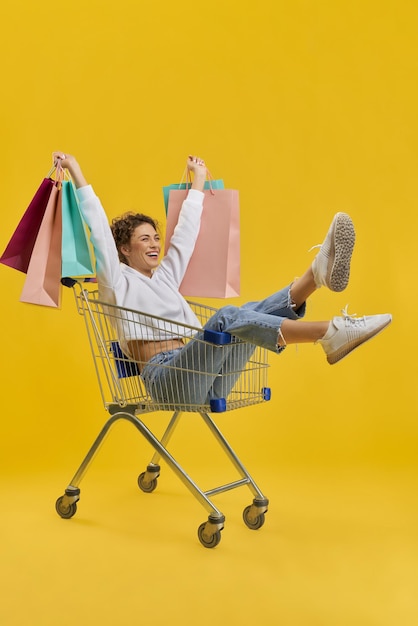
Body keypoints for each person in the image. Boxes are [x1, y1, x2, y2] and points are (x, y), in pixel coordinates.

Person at [53, 151, 392, 406]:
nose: (155, 244)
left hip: (207, 377)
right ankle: (329, 333)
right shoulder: (116, 281)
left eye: (156, 238)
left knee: (243, 315)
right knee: (228, 317)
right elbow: (98, 228)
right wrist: (76, 170)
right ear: (123, 250)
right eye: (145, 239)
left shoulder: (165, 279)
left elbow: (185, 234)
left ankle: (316, 275)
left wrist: (198, 180)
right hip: (168, 380)